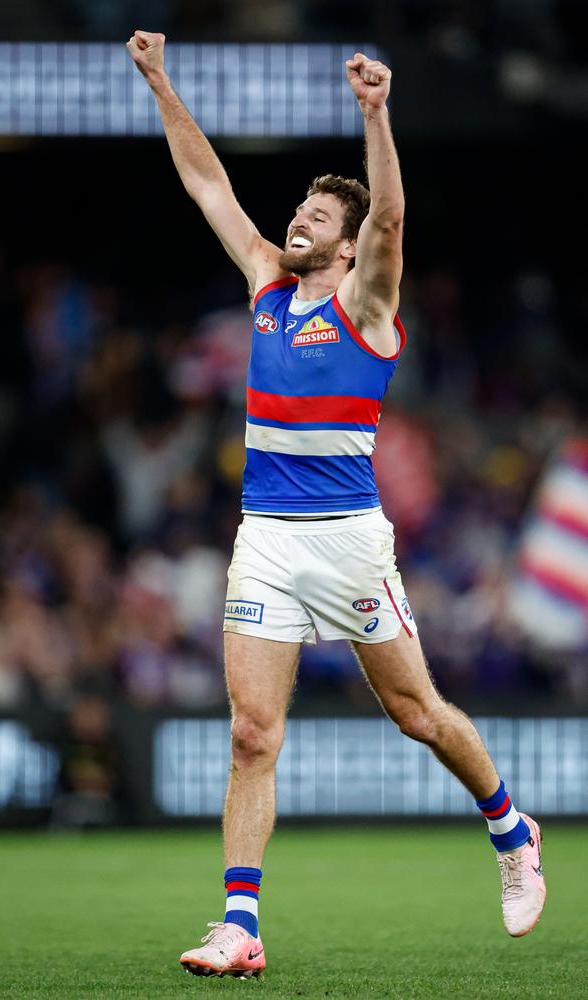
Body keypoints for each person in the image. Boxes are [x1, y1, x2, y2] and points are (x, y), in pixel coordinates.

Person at [126, 32, 546, 979]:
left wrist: (375, 113)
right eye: (302, 208)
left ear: (350, 245)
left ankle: (513, 833)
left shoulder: (366, 304)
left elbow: (391, 219)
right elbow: (207, 183)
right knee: (250, 732)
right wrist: (159, 80)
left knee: (419, 714)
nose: (299, 218)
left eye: (319, 213)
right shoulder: (269, 288)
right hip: (268, 538)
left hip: (351, 541)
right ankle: (241, 926)